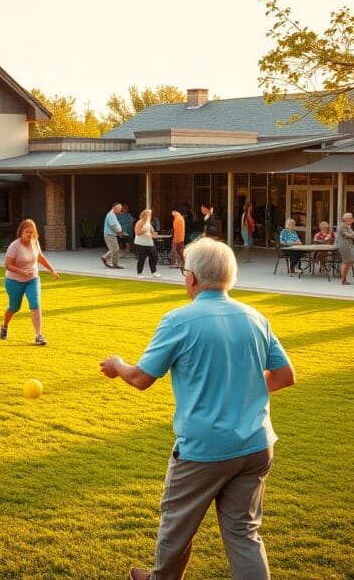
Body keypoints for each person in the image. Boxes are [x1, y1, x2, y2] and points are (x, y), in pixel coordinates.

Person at [99, 238, 296, 580]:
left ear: (191, 277)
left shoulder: (179, 320)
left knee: (177, 529)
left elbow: (142, 378)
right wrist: (241, 389)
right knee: (244, 534)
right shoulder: (255, 317)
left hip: (205, 450)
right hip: (256, 445)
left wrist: (117, 364)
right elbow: (284, 376)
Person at [0, 219, 59, 346]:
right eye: (27, 232)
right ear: (21, 232)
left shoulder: (35, 243)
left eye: (32, 232)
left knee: (35, 304)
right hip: (14, 281)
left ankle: (38, 335)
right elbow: (7, 265)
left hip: (32, 279)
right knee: (14, 307)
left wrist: (52, 270)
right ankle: (4, 326)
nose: (29, 235)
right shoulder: (14, 246)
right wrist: (21, 272)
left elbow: (40, 258)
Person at [133, 208, 162, 279]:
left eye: (150, 214)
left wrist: (155, 234)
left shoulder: (148, 222)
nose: (150, 216)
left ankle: (154, 272)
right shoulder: (139, 222)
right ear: (144, 215)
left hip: (149, 243)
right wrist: (143, 231)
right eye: (149, 214)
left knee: (154, 256)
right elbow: (137, 232)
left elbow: (151, 232)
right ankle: (139, 273)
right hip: (140, 244)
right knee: (142, 258)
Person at [101, 203, 126, 269]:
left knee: (114, 249)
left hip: (110, 234)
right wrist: (120, 232)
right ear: (114, 208)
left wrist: (119, 232)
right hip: (110, 235)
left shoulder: (112, 214)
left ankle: (105, 257)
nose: (120, 211)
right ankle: (114, 264)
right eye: (119, 209)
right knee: (115, 249)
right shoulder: (111, 215)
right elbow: (113, 225)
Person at [335, 213, 354, 285]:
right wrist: (352, 235)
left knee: (347, 262)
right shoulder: (342, 226)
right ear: (346, 219)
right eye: (351, 218)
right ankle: (343, 280)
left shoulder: (347, 226)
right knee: (347, 262)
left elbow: (353, 234)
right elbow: (348, 235)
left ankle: (344, 279)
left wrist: (352, 234)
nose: (352, 219)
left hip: (347, 245)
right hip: (344, 246)